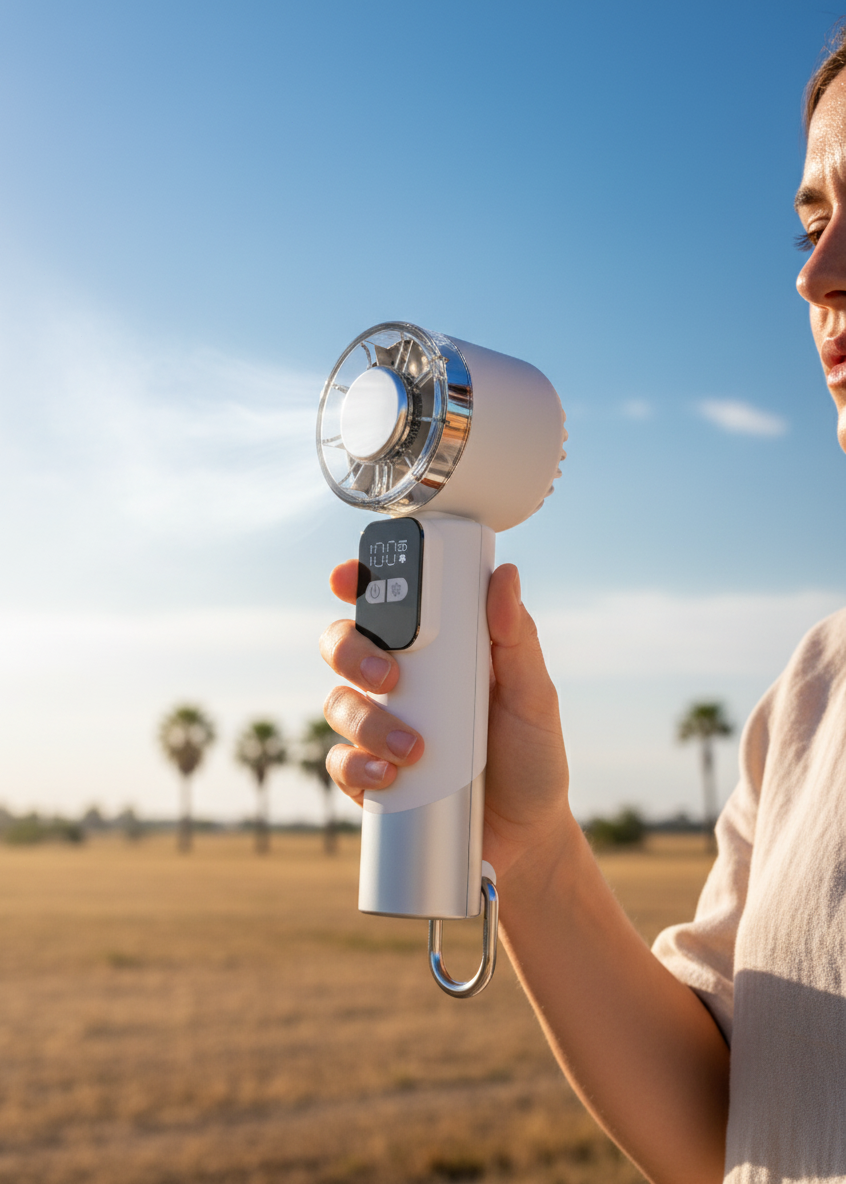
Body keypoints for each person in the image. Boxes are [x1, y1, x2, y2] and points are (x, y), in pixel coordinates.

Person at [319, 30, 846, 1184]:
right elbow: (727, 1130)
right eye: (813, 222)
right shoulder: (814, 691)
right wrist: (529, 848)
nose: (816, 276)